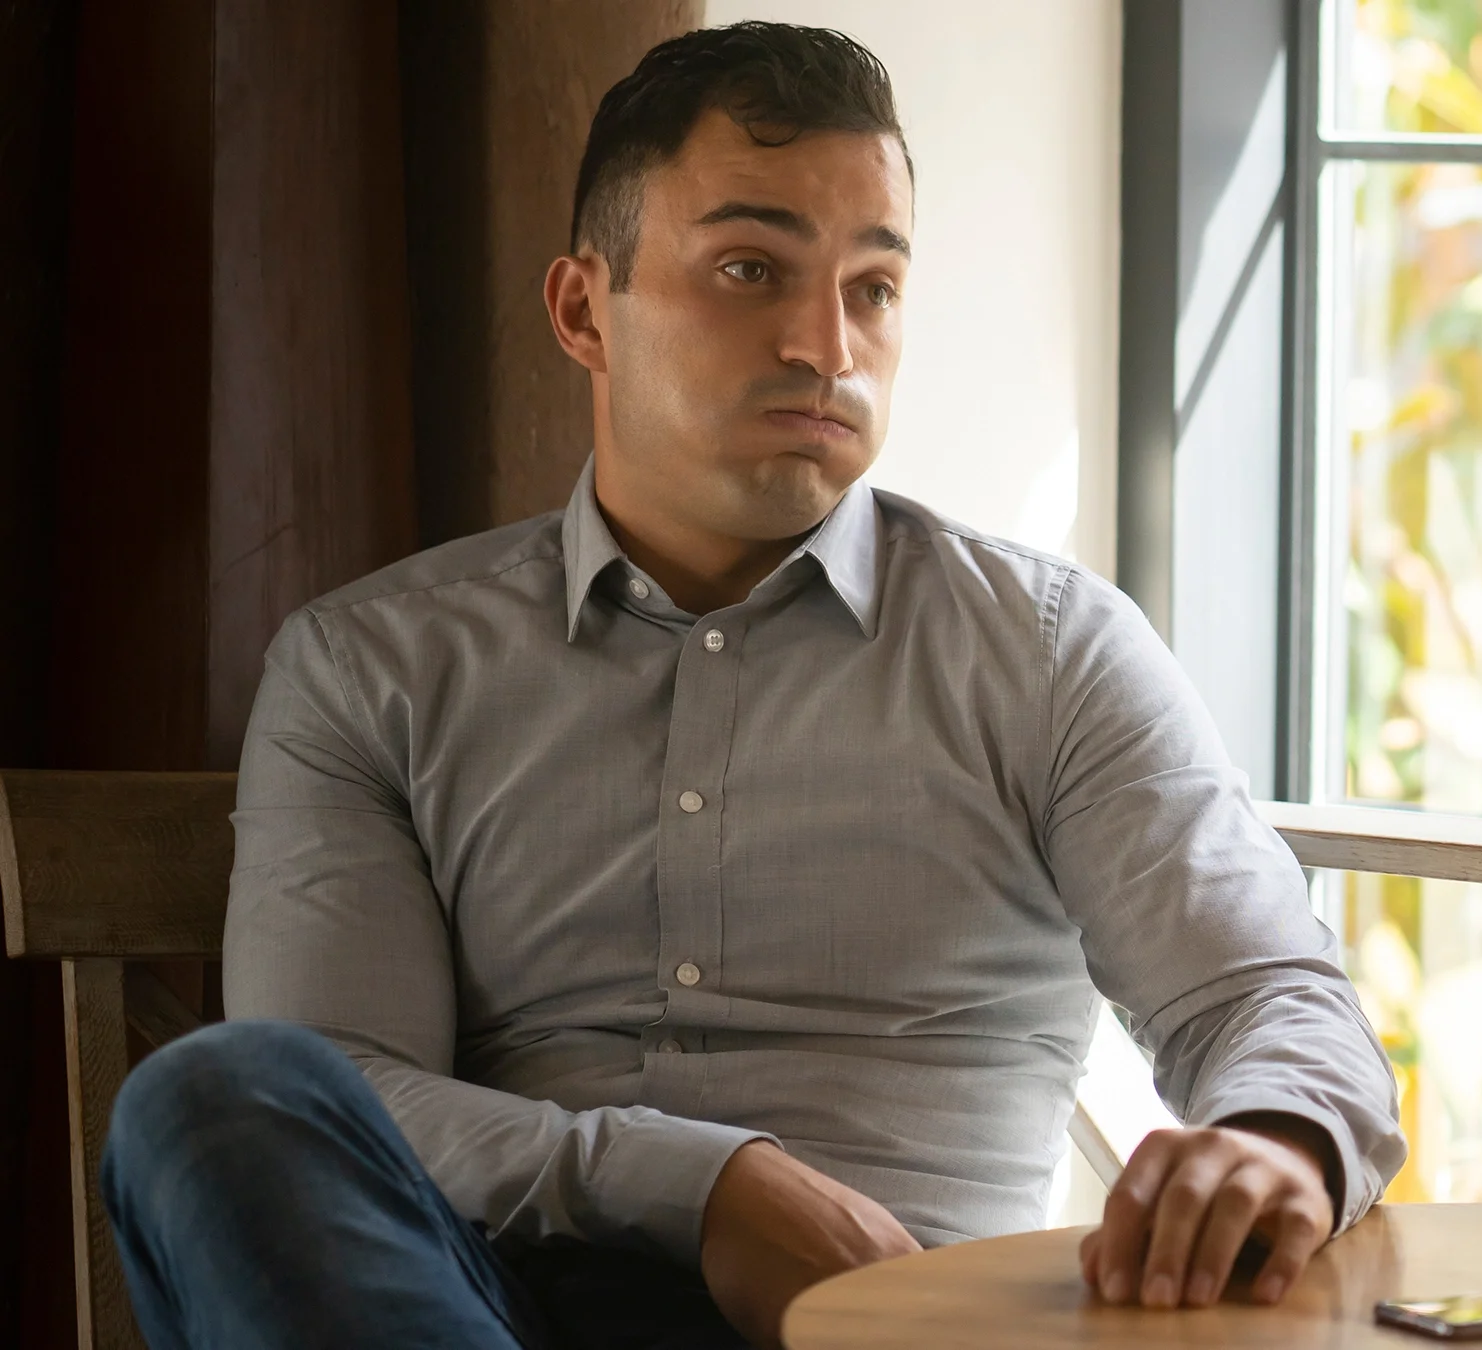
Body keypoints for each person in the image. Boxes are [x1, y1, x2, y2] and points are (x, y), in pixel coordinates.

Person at [99, 22, 1403, 1350]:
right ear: (580, 308)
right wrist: (703, 1185)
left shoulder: (1052, 650)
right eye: (749, 268)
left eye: (874, 287)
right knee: (212, 1098)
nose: (824, 344)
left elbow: (1272, 999)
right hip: (479, 1316)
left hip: (910, 1324)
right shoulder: (371, 669)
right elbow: (341, 1089)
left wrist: (1274, 1141)